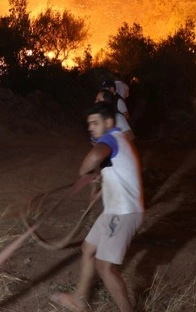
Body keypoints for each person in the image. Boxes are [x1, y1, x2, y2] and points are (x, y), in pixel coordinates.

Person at [50, 102, 144, 312]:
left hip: (123, 213)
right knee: (88, 249)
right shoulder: (118, 141)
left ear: (108, 122)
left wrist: (84, 171)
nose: (90, 127)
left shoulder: (110, 138)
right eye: (89, 124)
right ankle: (80, 300)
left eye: (95, 123)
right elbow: (118, 173)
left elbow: (94, 157)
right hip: (115, 211)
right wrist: (101, 186)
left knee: (105, 267)